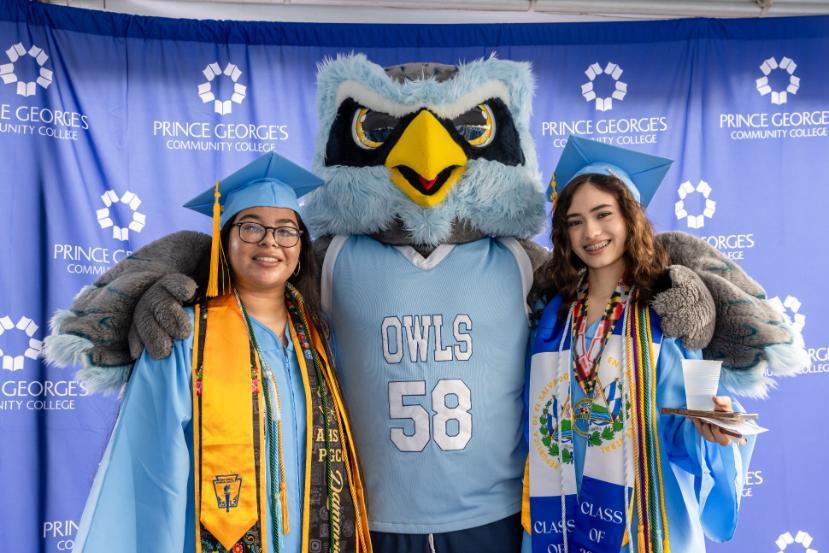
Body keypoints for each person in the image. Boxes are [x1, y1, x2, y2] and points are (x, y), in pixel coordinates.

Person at [71, 153, 372, 553]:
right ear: (225, 241)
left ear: (301, 247)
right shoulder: (185, 336)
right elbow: (148, 468)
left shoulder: (320, 340)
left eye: (286, 231)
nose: (269, 242)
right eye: (251, 228)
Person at [522, 136, 754, 553]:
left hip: (643, 512)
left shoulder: (662, 312)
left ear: (629, 218)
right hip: (563, 505)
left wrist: (711, 427)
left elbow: (679, 427)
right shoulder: (554, 317)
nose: (590, 232)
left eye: (603, 214)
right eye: (575, 221)